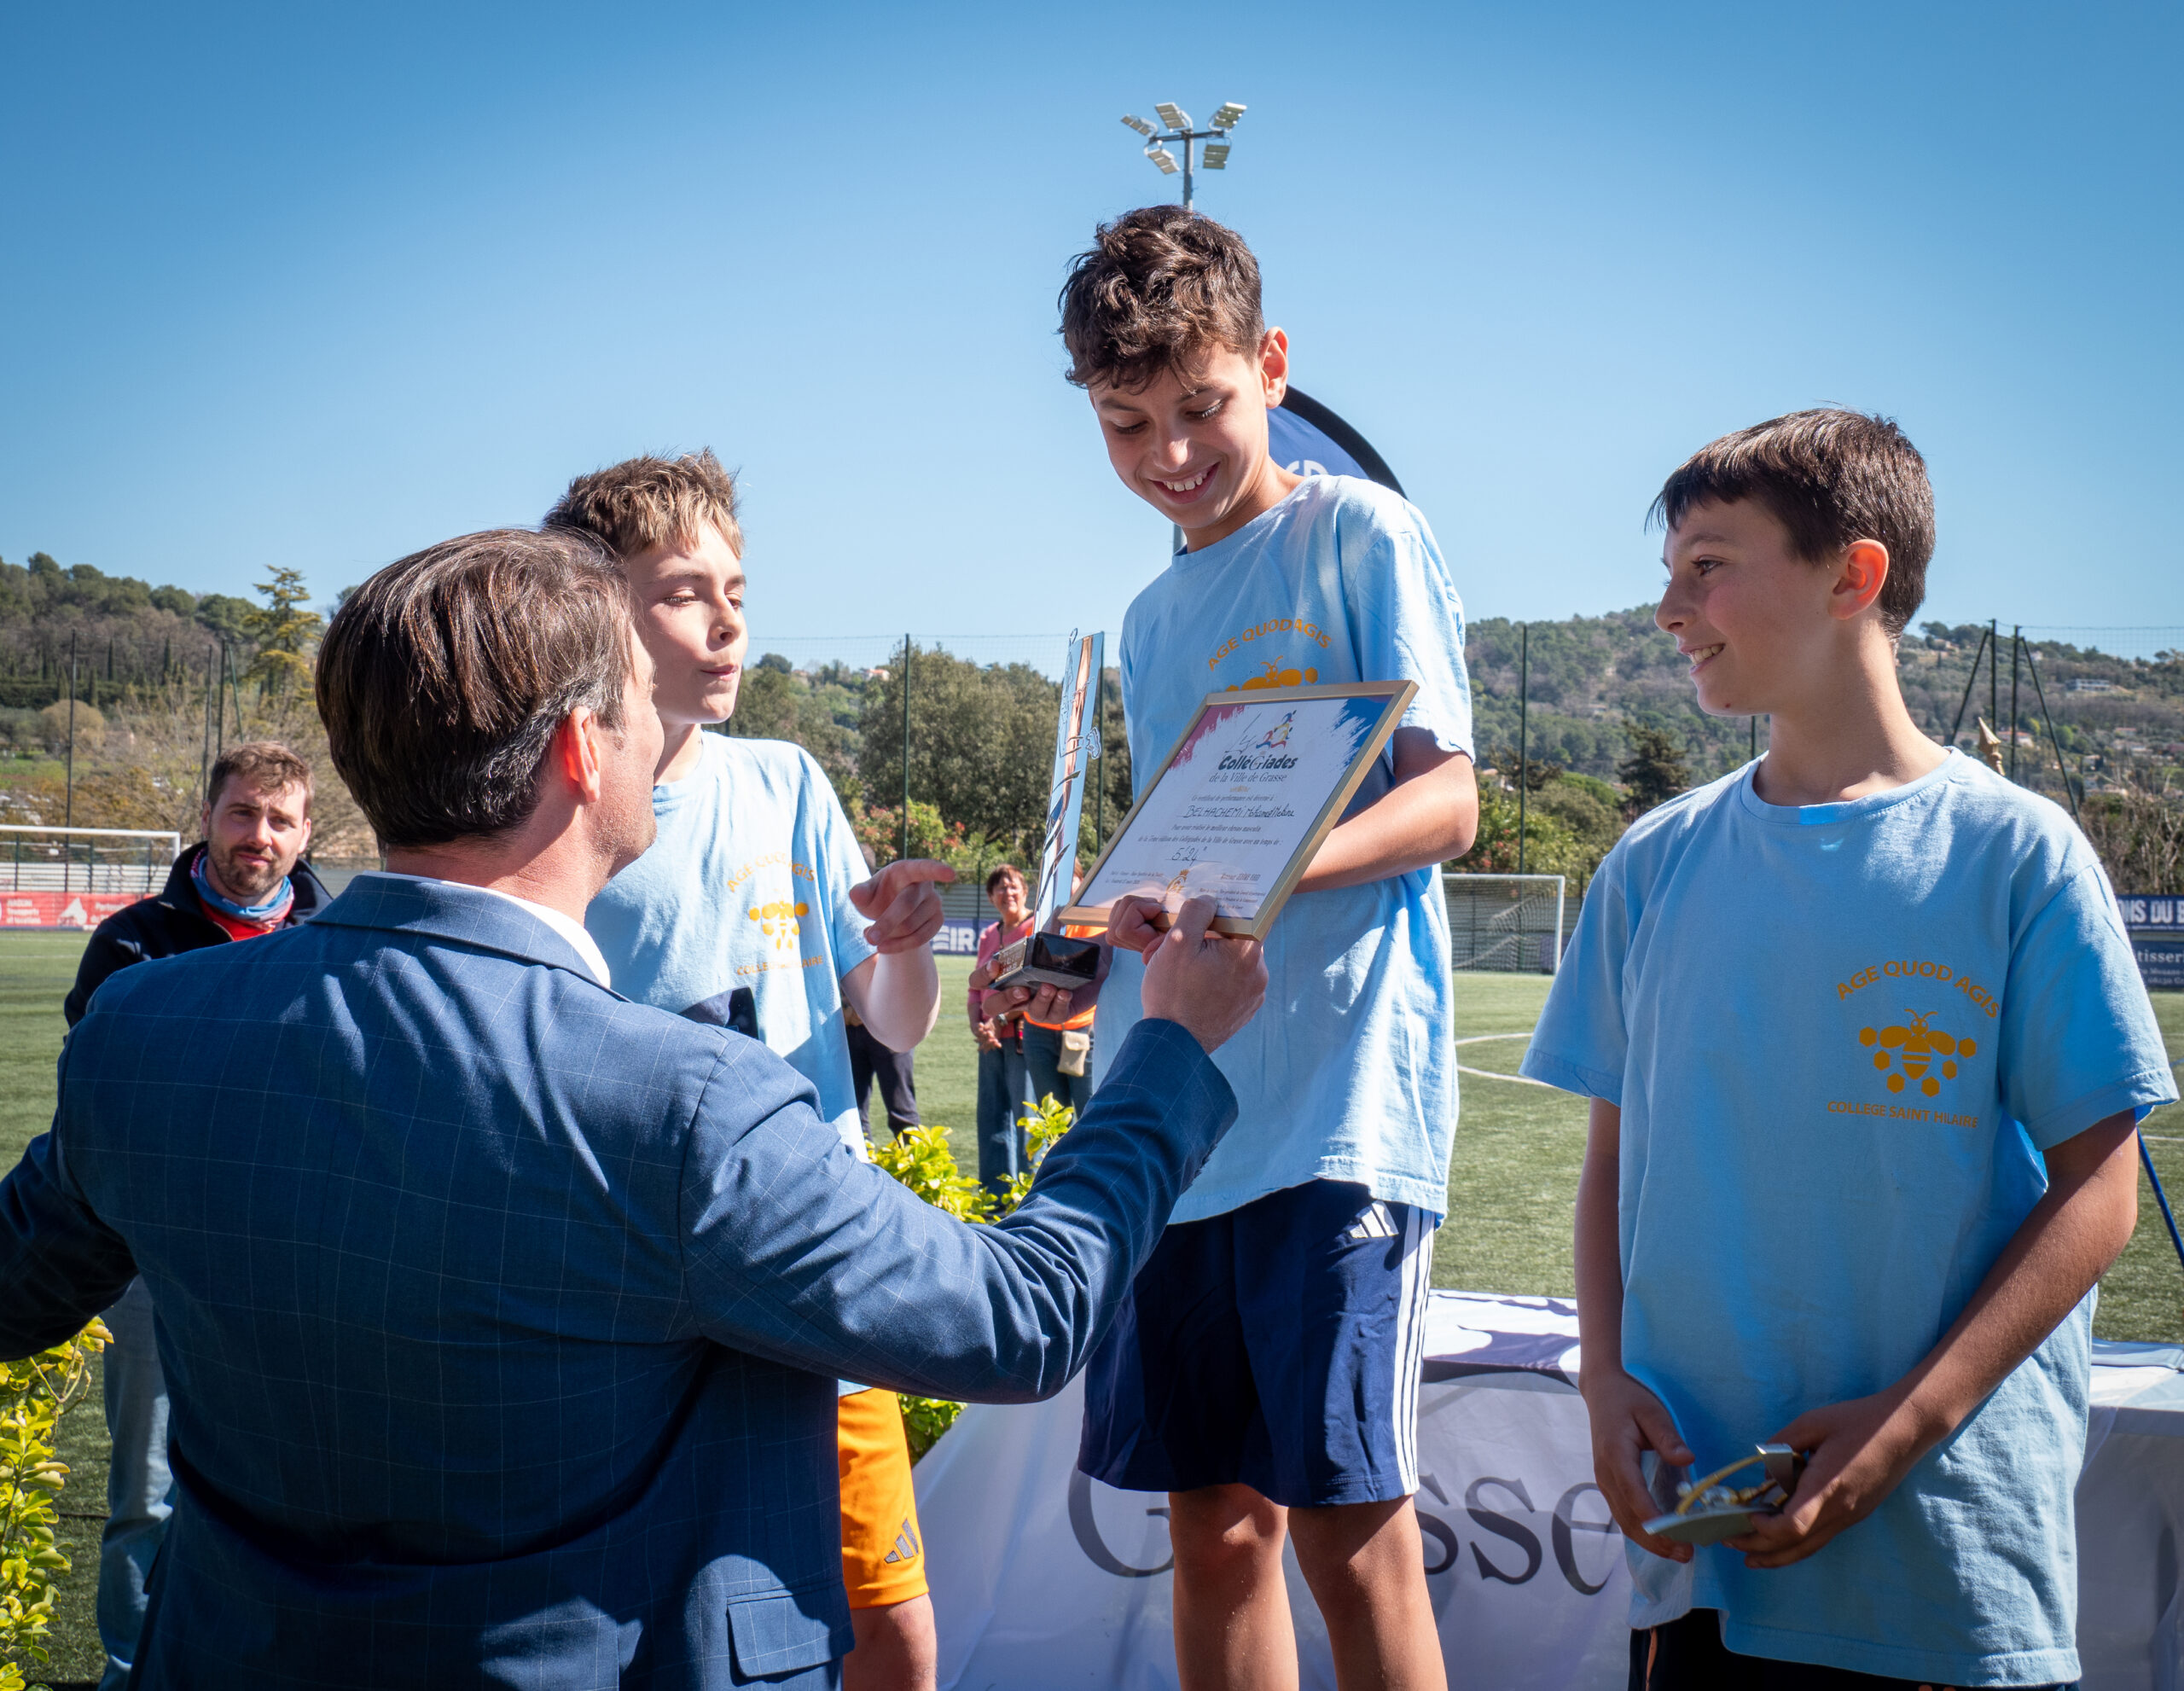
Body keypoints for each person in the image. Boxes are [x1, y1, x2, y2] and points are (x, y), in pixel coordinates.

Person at [0, 527, 1268, 1688]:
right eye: (631, 701)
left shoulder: (147, 1033)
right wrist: (1166, 1049)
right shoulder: (683, 1103)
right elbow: (1020, 1317)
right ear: (580, 748)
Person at [1519, 410, 2175, 1689]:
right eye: (1669, 571)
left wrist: (1902, 1427)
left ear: (1852, 576)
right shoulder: (1652, 862)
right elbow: (1613, 1161)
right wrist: (1603, 1378)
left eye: (1708, 565)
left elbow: (2100, 1194)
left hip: (1941, 1567)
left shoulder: (2017, 854)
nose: (1668, 608)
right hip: (1705, 1543)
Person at [1057, 206, 1479, 1691]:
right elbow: (1172, 860)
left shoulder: (1362, 532)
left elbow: (1449, 800)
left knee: (1349, 1535)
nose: (1170, 450)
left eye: (1202, 405)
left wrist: (1264, 880)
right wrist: (1075, 949)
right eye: (1127, 423)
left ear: (1273, 365)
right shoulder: (1148, 615)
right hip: (1184, 1120)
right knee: (1214, 1528)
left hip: (1335, 1118)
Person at [546, 452, 955, 1690]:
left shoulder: (785, 779)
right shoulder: (560, 812)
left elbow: (893, 1022)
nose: (726, 622)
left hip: (822, 1270)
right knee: (669, 1630)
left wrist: (905, 945)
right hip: (643, 1297)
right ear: (595, 610)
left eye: (736, 589)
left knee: (893, 1628)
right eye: (683, 592)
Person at [61, 740, 327, 1691]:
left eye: (280, 819)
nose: (260, 835)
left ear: (306, 833)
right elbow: (97, 1098)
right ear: (208, 816)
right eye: (243, 812)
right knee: (146, 1492)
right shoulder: (132, 942)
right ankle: (131, 1671)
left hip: (299, 1259)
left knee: (300, 1489)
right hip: (151, 1258)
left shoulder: (338, 938)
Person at [968, 863, 1036, 1194]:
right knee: (991, 1117)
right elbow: (975, 990)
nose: (1007, 893)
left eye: (1013, 886)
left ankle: (1028, 1195)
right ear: (990, 897)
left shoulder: (1034, 928)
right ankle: (995, 1199)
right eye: (999, 888)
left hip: (1024, 1038)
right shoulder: (988, 935)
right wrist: (978, 1026)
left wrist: (999, 1021)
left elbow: (1035, 989)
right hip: (990, 1041)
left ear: (1025, 891)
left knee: (1027, 1121)